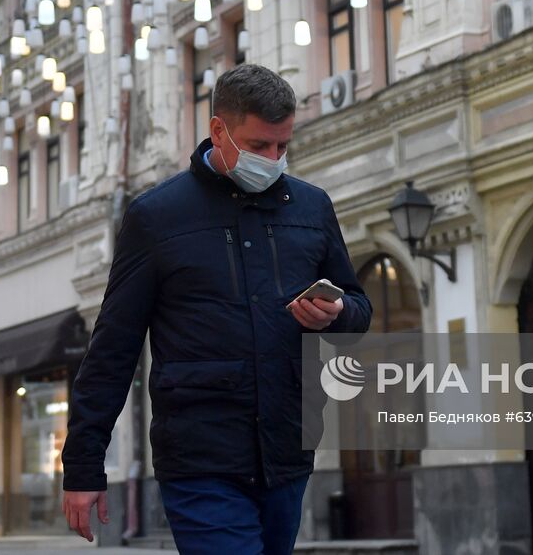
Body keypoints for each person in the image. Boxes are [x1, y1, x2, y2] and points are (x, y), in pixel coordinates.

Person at [62, 64, 373, 554]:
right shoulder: (156, 217)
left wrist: (338, 315)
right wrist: (83, 465)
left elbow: (358, 307)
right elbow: (112, 349)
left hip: (287, 451)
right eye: (258, 146)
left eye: (282, 146)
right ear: (217, 130)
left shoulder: (312, 209)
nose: (272, 160)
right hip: (199, 460)